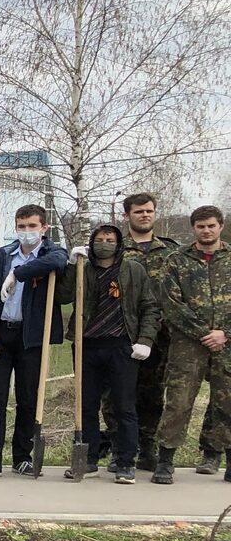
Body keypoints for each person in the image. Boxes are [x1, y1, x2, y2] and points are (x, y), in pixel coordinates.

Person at [118, 192, 223, 474]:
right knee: (126, 395)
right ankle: (126, 450)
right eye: (138, 211)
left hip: (168, 336)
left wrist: (220, 332)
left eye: (149, 210)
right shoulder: (120, 249)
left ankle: (163, 451)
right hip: (132, 333)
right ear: (127, 215)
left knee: (161, 394)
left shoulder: (169, 250)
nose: (145, 215)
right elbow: (169, 299)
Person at [0, 204, 68, 478]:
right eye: (21, 227)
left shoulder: (51, 252)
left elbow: (57, 264)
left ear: (44, 228)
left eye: (32, 226)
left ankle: (22, 456)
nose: (26, 232)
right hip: (2, 334)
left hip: (32, 336)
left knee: (28, 398)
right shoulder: (3, 256)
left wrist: (18, 274)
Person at [59, 224, 159, 483]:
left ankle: (126, 462)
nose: (104, 243)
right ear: (92, 242)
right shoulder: (83, 269)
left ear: (118, 243)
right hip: (87, 345)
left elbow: (149, 306)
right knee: (86, 405)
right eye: (100, 239)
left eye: (110, 239)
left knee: (124, 406)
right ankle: (89, 459)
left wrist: (145, 340)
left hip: (121, 346)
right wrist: (71, 266)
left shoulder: (133, 270)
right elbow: (63, 295)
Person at [154, 205, 231, 485]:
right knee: (179, 401)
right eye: (201, 226)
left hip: (227, 343)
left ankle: (222, 455)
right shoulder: (177, 260)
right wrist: (203, 332)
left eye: (211, 225)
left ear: (220, 226)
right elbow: (170, 303)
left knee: (227, 401)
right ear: (193, 229)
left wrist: (224, 333)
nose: (206, 231)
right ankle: (166, 460)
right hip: (188, 344)